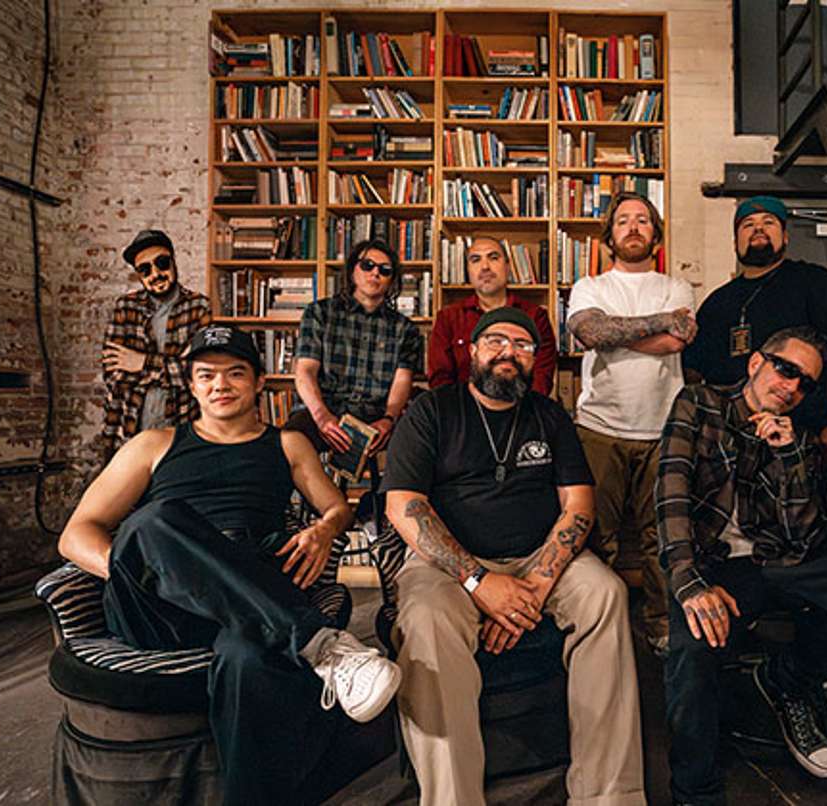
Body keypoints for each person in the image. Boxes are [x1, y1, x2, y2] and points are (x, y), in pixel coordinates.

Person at [60, 324, 401, 805]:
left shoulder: (288, 444)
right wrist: (143, 564)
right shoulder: (153, 444)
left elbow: (337, 509)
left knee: (249, 659)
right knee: (154, 522)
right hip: (161, 605)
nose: (220, 384)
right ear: (192, 385)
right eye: (206, 375)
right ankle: (319, 644)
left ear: (259, 382)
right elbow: (76, 533)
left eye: (235, 373)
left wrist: (324, 531)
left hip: (249, 597)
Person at [384, 307, 645, 806]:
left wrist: (532, 591)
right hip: (448, 565)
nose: (510, 351)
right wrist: (481, 584)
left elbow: (579, 506)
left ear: (533, 359)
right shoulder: (432, 411)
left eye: (523, 345)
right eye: (497, 341)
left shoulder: (550, 415)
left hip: (538, 559)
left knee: (606, 594)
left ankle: (608, 796)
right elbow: (405, 506)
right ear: (473, 351)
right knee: (427, 619)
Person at [659, 326, 827, 804]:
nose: (792, 387)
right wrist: (689, 582)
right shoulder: (700, 403)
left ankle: (788, 677)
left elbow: (805, 538)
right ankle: (695, 792)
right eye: (785, 369)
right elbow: (671, 494)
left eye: (805, 383)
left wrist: (789, 456)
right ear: (756, 362)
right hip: (715, 565)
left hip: (780, 561)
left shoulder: (799, 438)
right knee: (693, 654)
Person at [566, 191, 697, 654]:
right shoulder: (590, 286)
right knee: (593, 534)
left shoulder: (676, 287)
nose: (633, 227)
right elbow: (589, 331)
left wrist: (614, 334)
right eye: (623, 220)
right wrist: (656, 324)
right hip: (599, 427)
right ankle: (596, 624)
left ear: (655, 235)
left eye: (642, 220)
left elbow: (678, 340)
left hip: (665, 429)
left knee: (661, 535)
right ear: (610, 237)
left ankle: (660, 624)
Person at [682, 196, 827, 466]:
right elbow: (693, 370)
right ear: (735, 242)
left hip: (801, 434)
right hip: (726, 440)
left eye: (769, 222)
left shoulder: (814, 282)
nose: (758, 229)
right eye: (748, 225)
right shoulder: (717, 302)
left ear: (785, 237)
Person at [287, 237, 422, 457]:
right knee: (290, 440)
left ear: (391, 281)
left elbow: (402, 380)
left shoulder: (405, 328)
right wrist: (322, 417)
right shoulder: (320, 313)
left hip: (375, 415)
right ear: (352, 271)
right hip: (323, 408)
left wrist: (389, 419)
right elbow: (305, 371)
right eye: (367, 265)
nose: (375, 273)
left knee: (416, 441)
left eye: (385, 270)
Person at [101, 229, 211, 457]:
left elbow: (198, 374)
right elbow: (113, 375)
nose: (156, 274)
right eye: (145, 269)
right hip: (131, 427)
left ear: (173, 261)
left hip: (182, 428)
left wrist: (141, 363)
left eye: (162, 263)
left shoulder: (199, 307)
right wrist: (172, 368)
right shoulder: (125, 307)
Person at [427, 235, 557, 394]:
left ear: (508, 267)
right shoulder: (448, 318)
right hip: (460, 408)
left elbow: (542, 377)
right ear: (468, 270)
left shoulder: (535, 316)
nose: (485, 267)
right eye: (475, 260)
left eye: (493, 257)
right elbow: (440, 380)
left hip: (523, 407)